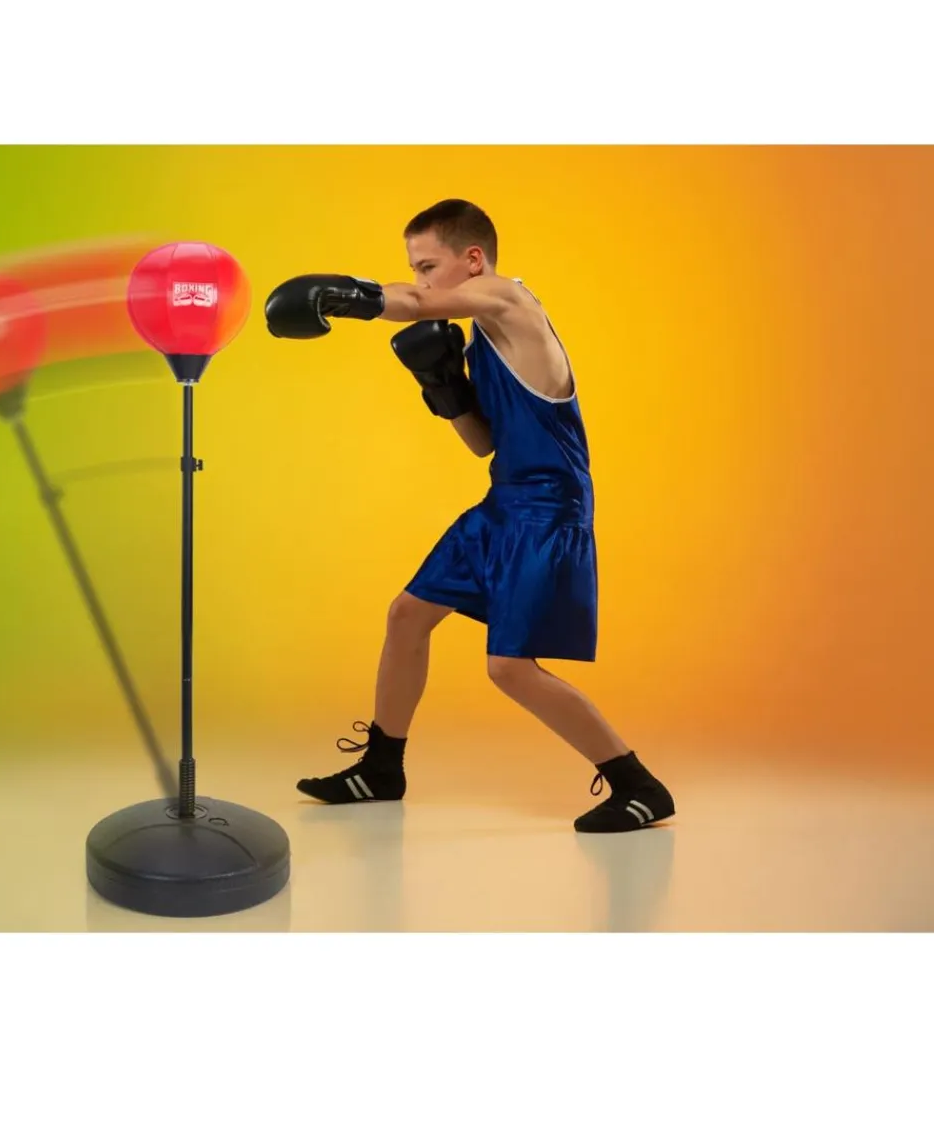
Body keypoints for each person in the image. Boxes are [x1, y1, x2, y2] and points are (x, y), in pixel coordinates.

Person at [265, 199, 674, 833]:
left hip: (548, 511)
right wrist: (444, 387)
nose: (421, 280)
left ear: (474, 260)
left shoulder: (510, 301)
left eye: (428, 266)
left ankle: (638, 785)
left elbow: (413, 303)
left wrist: (343, 296)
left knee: (509, 669)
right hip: (504, 500)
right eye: (415, 268)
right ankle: (381, 768)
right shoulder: (486, 335)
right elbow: (483, 442)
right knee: (407, 615)